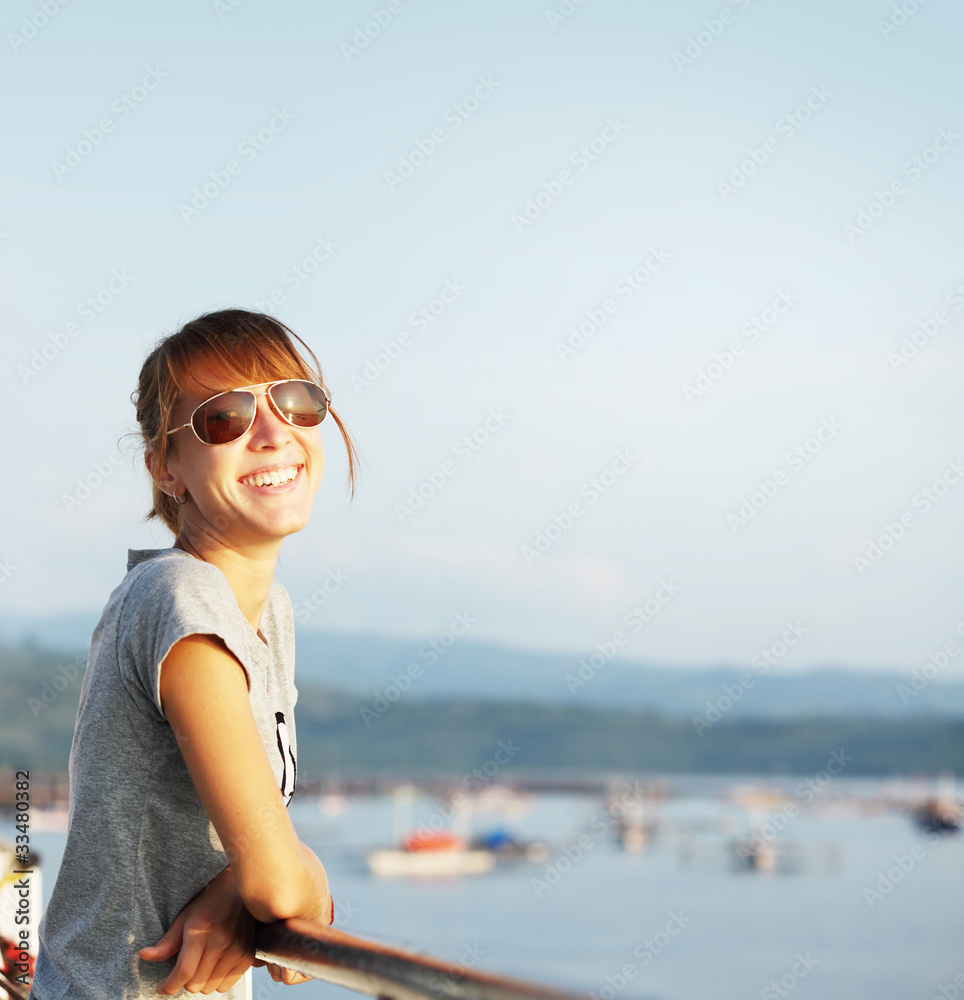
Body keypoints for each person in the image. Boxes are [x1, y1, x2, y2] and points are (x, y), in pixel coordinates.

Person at [31, 309, 359, 998]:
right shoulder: (179, 594)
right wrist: (309, 881)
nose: (274, 433)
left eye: (297, 401)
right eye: (224, 419)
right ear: (166, 467)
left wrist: (246, 880)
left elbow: (257, 853)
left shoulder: (269, 612)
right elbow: (274, 877)